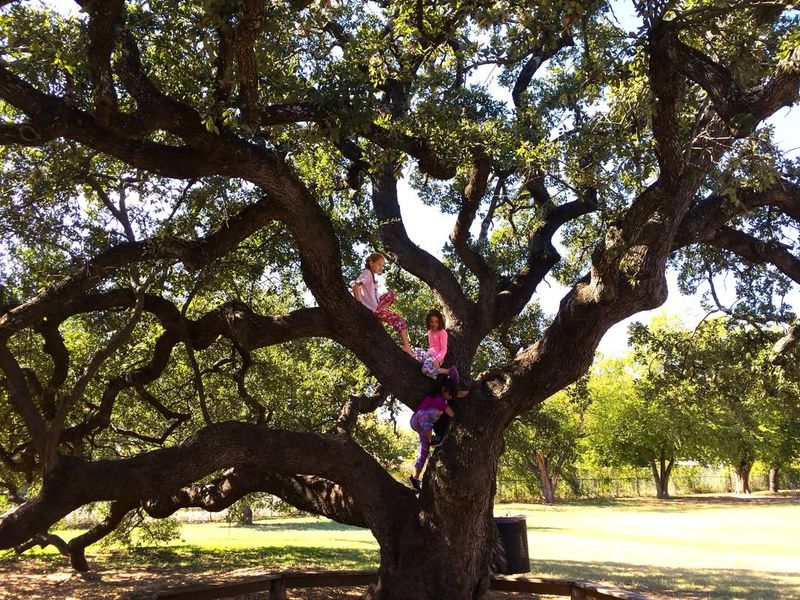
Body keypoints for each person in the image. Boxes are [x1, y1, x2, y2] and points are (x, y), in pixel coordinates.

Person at [408, 374, 468, 491]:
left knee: (423, 452)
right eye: (449, 395)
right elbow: (451, 414)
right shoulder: (438, 400)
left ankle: (415, 478)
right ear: (443, 389)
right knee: (430, 414)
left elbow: (459, 394)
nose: (450, 398)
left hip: (422, 426)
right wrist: (431, 440)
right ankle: (432, 440)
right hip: (418, 420)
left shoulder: (444, 395)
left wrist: (474, 391)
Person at [352, 252, 412, 354]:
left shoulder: (371, 276)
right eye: (379, 264)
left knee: (392, 294)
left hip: (376, 305)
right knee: (399, 320)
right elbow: (355, 286)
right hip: (373, 309)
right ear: (371, 262)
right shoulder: (367, 273)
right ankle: (406, 346)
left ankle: (381, 315)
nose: (381, 267)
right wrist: (358, 303)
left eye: (382, 265)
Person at [413, 309, 459, 380]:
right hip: (429, 354)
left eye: (436, 322)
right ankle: (429, 367)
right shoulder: (430, 332)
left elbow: (444, 349)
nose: (434, 324)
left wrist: (438, 360)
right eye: (431, 322)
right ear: (428, 322)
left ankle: (449, 371)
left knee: (424, 370)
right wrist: (426, 354)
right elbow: (432, 347)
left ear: (440, 321)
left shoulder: (442, 332)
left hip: (436, 357)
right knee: (417, 352)